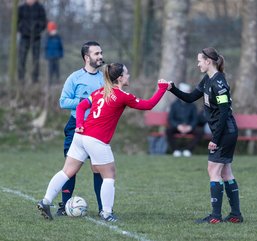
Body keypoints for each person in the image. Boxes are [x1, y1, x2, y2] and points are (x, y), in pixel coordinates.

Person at [37, 63, 170, 222]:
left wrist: (79, 124)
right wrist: (162, 88)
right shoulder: (122, 95)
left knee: (67, 171)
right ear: (120, 78)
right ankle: (106, 213)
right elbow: (149, 105)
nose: (129, 76)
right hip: (96, 140)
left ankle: (45, 201)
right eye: (127, 74)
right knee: (109, 175)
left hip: (81, 136)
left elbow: (81, 107)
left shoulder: (100, 91)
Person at [168, 47, 244, 224]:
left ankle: (215, 216)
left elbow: (225, 113)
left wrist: (215, 139)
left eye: (200, 61)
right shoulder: (207, 79)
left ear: (208, 61)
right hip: (225, 131)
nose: (198, 64)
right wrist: (171, 88)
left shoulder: (219, 83)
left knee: (213, 170)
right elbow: (189, 98)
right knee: (225, 172)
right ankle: (235, 214)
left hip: (225, 132)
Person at [57, 41, 104, 216]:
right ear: (86, 57)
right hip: (75, 126)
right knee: (70, 169)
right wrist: (85, 103)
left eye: (101, 53)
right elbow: (63, 102)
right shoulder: (74, 78)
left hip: (97, 128)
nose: (100, 56)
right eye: (96, 53)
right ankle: (64, 205)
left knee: (99, 168)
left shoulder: (104, 79)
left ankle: (103, 209)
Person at [166, 82, 203, 157]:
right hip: (177, 126)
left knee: (200, 132)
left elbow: (195, 118)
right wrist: (177, 126)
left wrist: (190, 127)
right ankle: (176, 150)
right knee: (168, 131)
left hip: (189, 127)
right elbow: (170, 118)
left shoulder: (192, 105)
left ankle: (188, 150)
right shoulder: (174, 105)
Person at [17, 0, 47, 83]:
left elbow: (44, 22)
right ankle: (21, 79)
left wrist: (37, 29)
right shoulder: (21, 8)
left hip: (36, 37)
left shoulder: (40, 8)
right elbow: (17, 22)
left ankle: (35, 80)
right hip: (24, 37)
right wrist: (22, 29)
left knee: (36, 59)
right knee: (22, 58)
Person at [44, 21, 63, 85]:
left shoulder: (58, 37)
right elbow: (45, 47)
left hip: (56, 56)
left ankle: (57, 81)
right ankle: (49, 82)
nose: (53, 32)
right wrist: (45, 55)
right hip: (50, 57)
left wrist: (61, 54)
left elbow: (61, 46)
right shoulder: (47, 37)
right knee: (50, 70)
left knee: (57, 70)